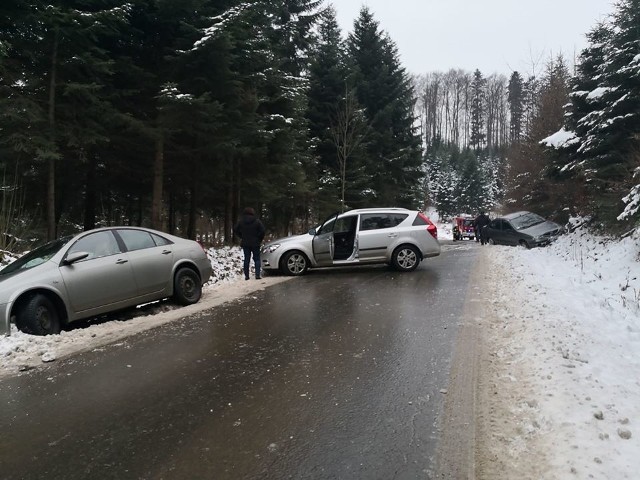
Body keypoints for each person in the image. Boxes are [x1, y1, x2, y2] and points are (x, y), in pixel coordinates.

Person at [234, 207, 266, 280]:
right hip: (255, 243)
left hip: (245, 243)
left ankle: (246, 276)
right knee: (257, 259)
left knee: (246, 259)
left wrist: (241, 236)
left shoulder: (241, 221)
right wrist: (259, 238)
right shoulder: (257, 221)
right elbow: (262, 231)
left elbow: (235, 229)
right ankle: (257, 275)